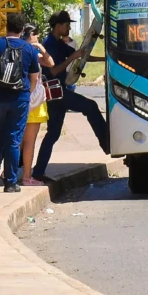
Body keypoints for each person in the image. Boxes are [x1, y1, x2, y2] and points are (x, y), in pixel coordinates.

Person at [32, 11, 109, 181]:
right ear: (58, 25)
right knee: (91, 107)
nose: (69, 28)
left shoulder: (58, 43)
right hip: (56, 93)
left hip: (59, 92)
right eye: (67, 25)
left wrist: (105, 59)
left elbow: (81, 55)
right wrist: (72, 57)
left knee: (53, 134)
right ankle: (106, 143)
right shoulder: (49, 44)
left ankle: (37, 173)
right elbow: (53, 70)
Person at [0, 13, 40, 193]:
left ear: (6, 27)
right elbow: (35, 78)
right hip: (19, 99)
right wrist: (26, 94)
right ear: (23, 30)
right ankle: (11, 183)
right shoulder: (29, 49)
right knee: (13, 140)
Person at [20, 24, 54, 187]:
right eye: (36, 36)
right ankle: (27, 177)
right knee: (29, 142)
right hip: (33, 100)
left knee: (16, 141)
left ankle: (8, 172)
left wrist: (40, 47)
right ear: (30, 35)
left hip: (17, 99)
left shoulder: (16, 50)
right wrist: (39, 47)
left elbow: (50, 62)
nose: (38, 39)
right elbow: (50, 63)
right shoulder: (32, 53)